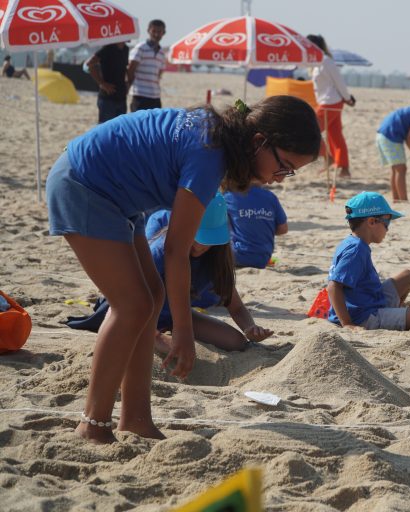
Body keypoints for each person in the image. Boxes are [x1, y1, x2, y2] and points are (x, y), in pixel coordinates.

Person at [45, 95, 321, 444]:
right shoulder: (211, 155)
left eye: (290, 173)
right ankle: (93, 425)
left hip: (118, 197)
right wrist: (185, 335)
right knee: (131, 306)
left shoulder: (219, 141)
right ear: (258, 142)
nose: (281, 179)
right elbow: (176, 251)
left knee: (152, 297)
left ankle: (135, 419)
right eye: (284, 166)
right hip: (84, 185)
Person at [70, 196, 275, 352]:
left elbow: (235, 305)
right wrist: (158, 338)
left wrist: (250, 328)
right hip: (134, 312)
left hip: (174, 315)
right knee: (165, 345)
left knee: (236, 342)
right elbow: (127, 299)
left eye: (209, 239)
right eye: (198, 236)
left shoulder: (217, 257)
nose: (202, 245)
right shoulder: (159, 251)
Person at [326, 192, 410, 330]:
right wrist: (347, 324)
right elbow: (333, 287)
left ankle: (395, 313)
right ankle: (393, 317)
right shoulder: (356, 249)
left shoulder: (353, 243)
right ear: (371, 222)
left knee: (408, 276)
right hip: (362, 316)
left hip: (370, 299)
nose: (387, 229)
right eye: (387, 222)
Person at [307, 34, 356, 178]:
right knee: (335, 136)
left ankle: (329, 158)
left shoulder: (326, 61)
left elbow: (339, 82)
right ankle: (343, 167)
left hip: (331, 102)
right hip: (327, 102)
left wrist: (348, 98)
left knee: (312, 132)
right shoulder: (315, 62)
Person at [224, 186, 288, 268]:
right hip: (263, 258)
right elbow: (283, 229)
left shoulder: (228, 196)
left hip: (237, 255)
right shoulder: (270, 196)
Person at [127, 19, 166, 112]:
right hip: (140, 95)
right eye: (154, 31)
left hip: (155, 96)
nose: (156, 34)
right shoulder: (140, 48)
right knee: (139, 125)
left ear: (163, 33)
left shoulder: (161, 53)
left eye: (159, 32)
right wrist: (128, 87)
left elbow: (159, 74)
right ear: (148, 31)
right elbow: (131, 69)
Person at [86, 42, 130, 123]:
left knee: (120, 130)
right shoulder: (108, 48)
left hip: (121, 97)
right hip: (107, 98)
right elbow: (89, 64)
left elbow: (124, 67)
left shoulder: (126, 49)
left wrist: (127, 83)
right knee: (106, 131)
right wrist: (101, 83)